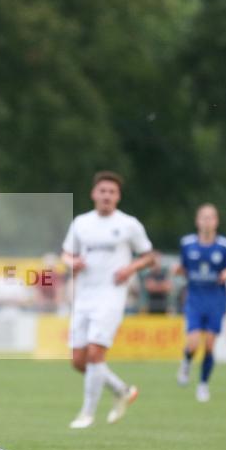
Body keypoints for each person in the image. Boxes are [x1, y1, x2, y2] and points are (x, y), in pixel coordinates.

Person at [61, 171, 154, 429]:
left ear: (118, 197)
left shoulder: (128, 224)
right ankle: (122, 390)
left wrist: (130, 269)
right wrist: (73, 263)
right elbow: (66, 254)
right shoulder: (81, 223)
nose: (107, 196)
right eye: (102, 191)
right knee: (79, 361)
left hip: (111, 296)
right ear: (94, 194)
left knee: (95, 353)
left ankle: (87, 414)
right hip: (84, 296)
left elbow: (149, 256)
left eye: (112, 192)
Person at [176, 204, 226, 402]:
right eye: (203, 217)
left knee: (210, 345)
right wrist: (177, 271)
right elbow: (183, 268)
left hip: (216, 300)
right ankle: (186, 362)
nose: (207, 221)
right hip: (195, 299)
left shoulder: (225, 246)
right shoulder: (187, 244)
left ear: (216, 221)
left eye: (211, 217)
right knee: (193, 342)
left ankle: (203, 384)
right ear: (197, 221)